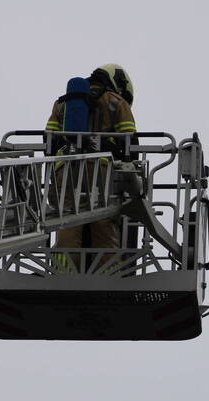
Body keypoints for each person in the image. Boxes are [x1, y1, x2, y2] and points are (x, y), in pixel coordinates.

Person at [44, 64, 136, 272]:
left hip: (65, 167)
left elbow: (48, 140)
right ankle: (107, 272)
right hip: (100, 167)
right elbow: (130, 141)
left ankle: (63, 271)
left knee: (67, 220)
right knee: (102, 220)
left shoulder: (62, 104)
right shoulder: (116, 102)